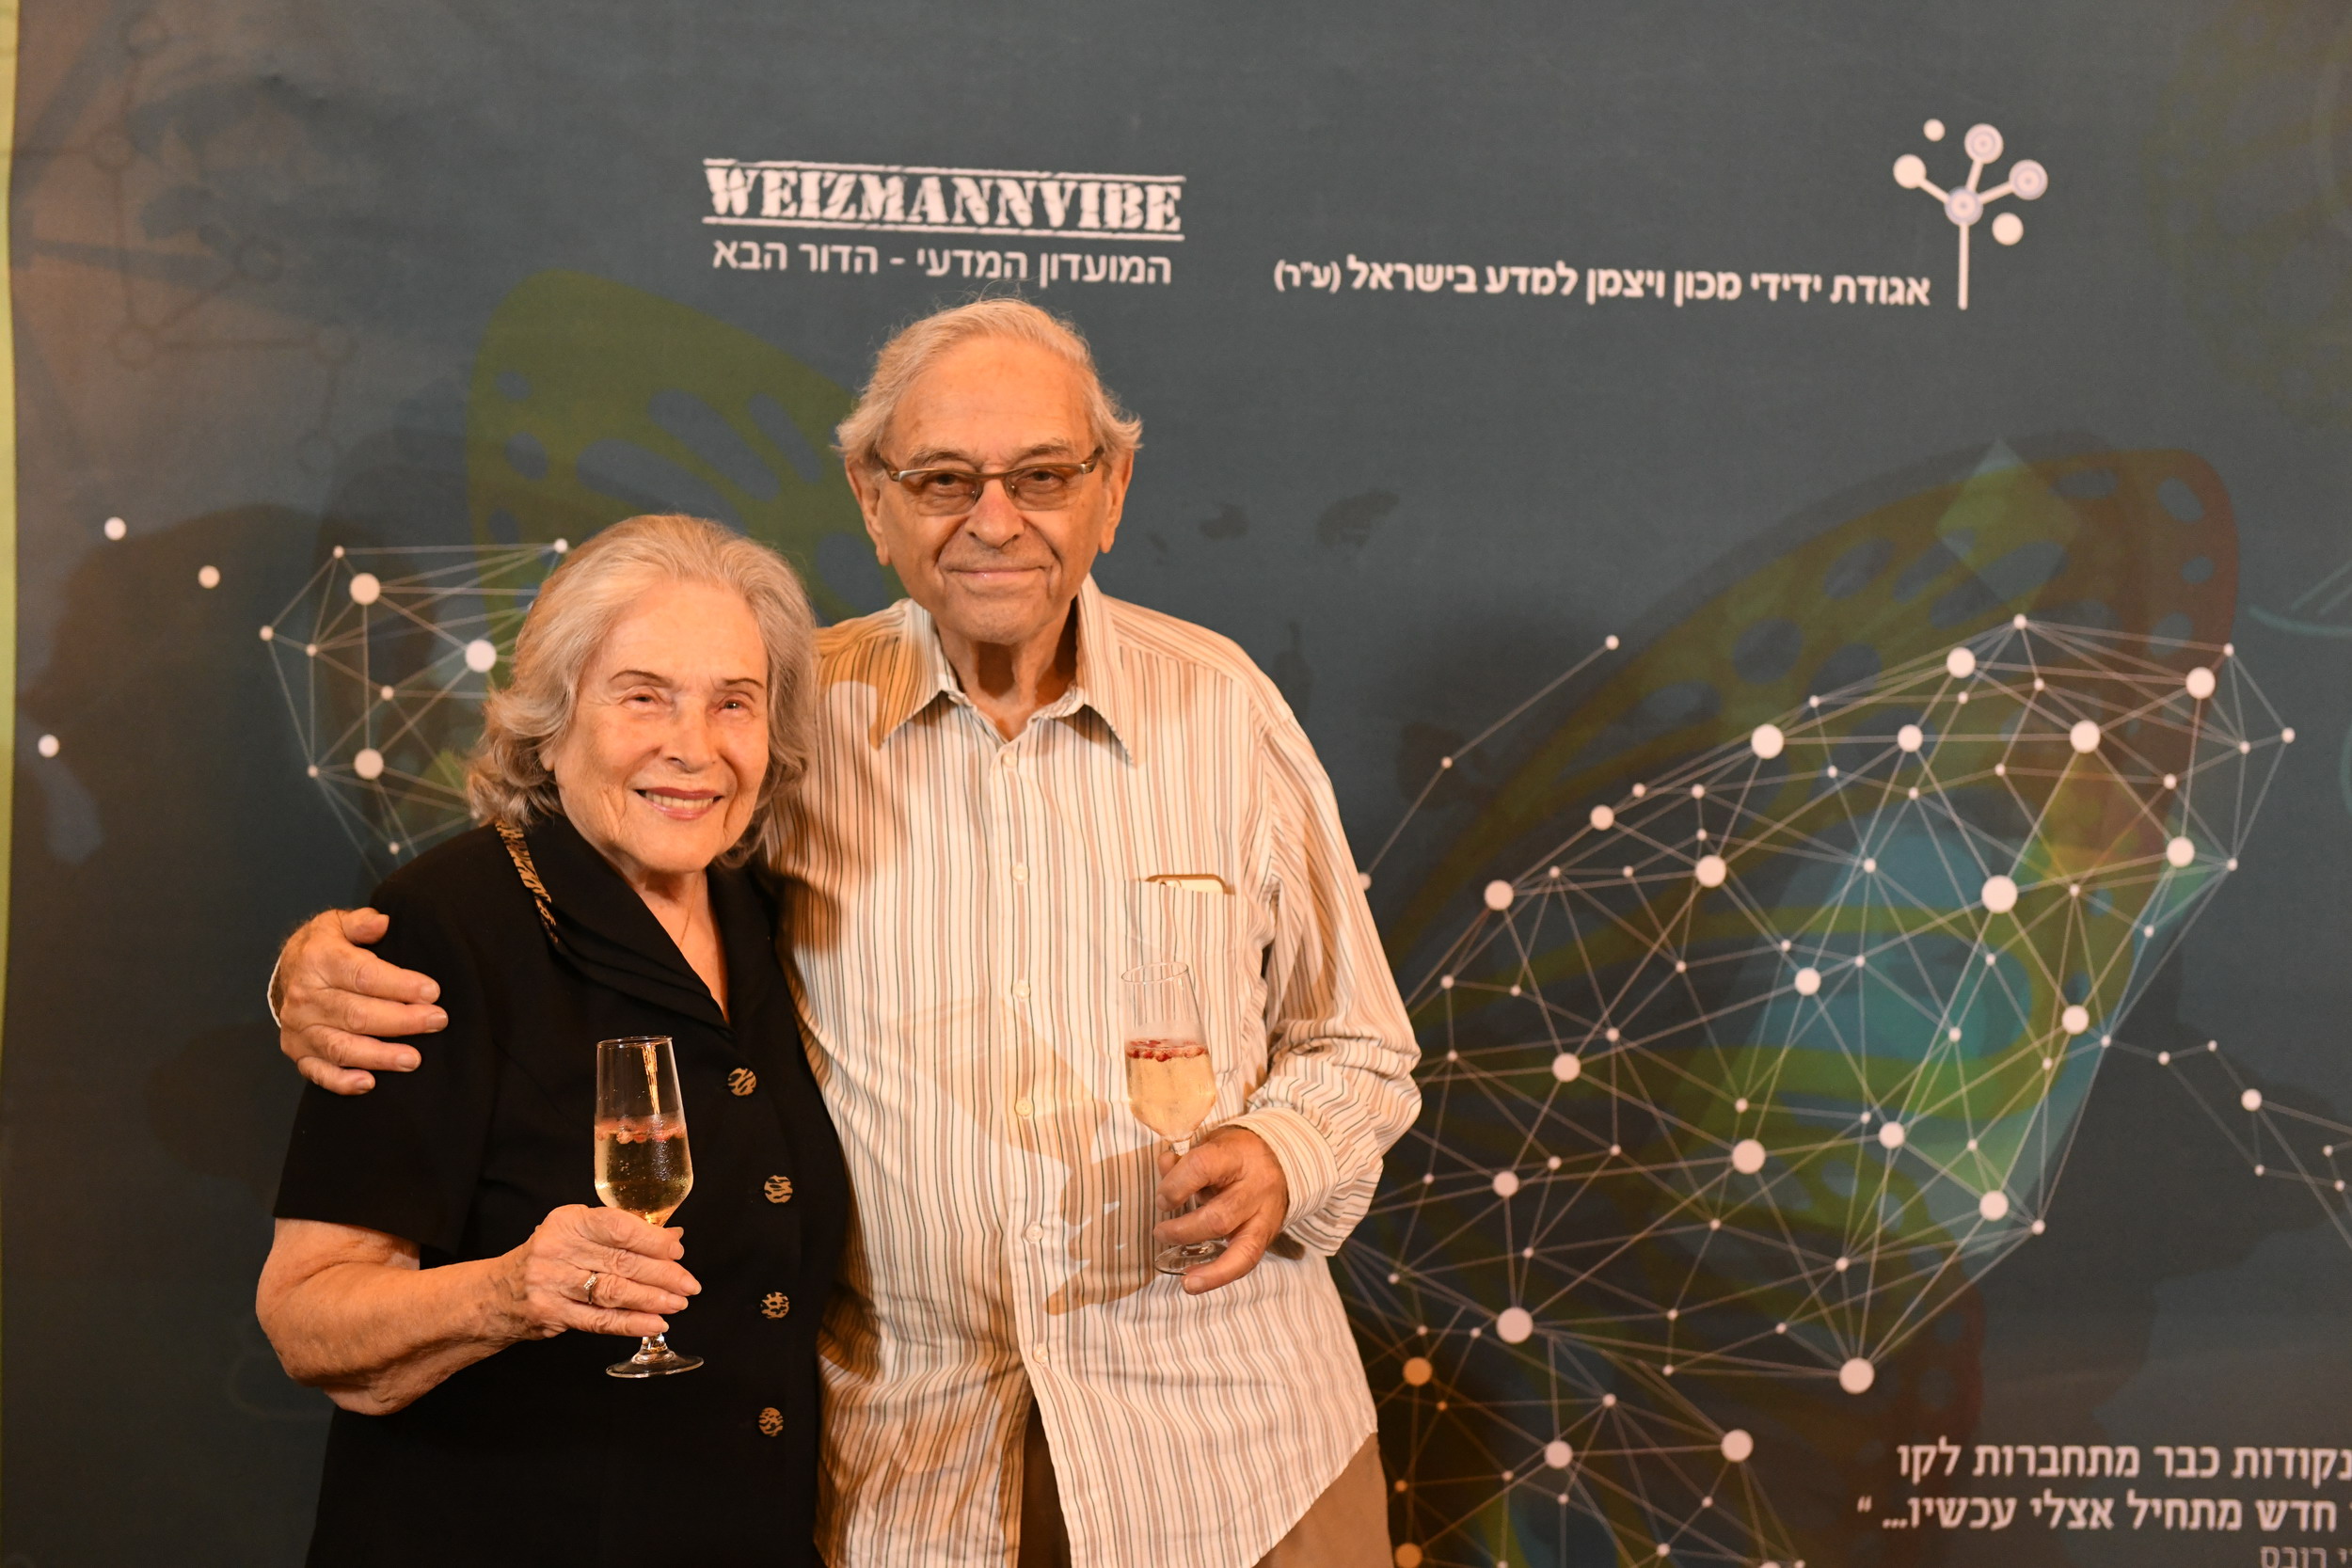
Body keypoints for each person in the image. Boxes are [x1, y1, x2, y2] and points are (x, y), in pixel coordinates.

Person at [273, 300, 1421, 1567]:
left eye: (1044, 474)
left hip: (1234, 1453)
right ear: (874, 501)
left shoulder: (1226, 709)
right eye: (942, 478)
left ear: (1114, 489)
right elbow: (572, 864)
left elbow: (1361, 1043)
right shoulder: (791, 717)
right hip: (916, 1477)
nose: (995, 519)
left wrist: (1280, 1148)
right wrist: (317, 966)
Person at [257, 515, 849, 1566]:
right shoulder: (446, 926)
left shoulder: (765, 911)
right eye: (643, 695)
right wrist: (507, 1290)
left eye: (733, 702)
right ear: (552, 716)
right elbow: (305, 1311)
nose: (694, 745)